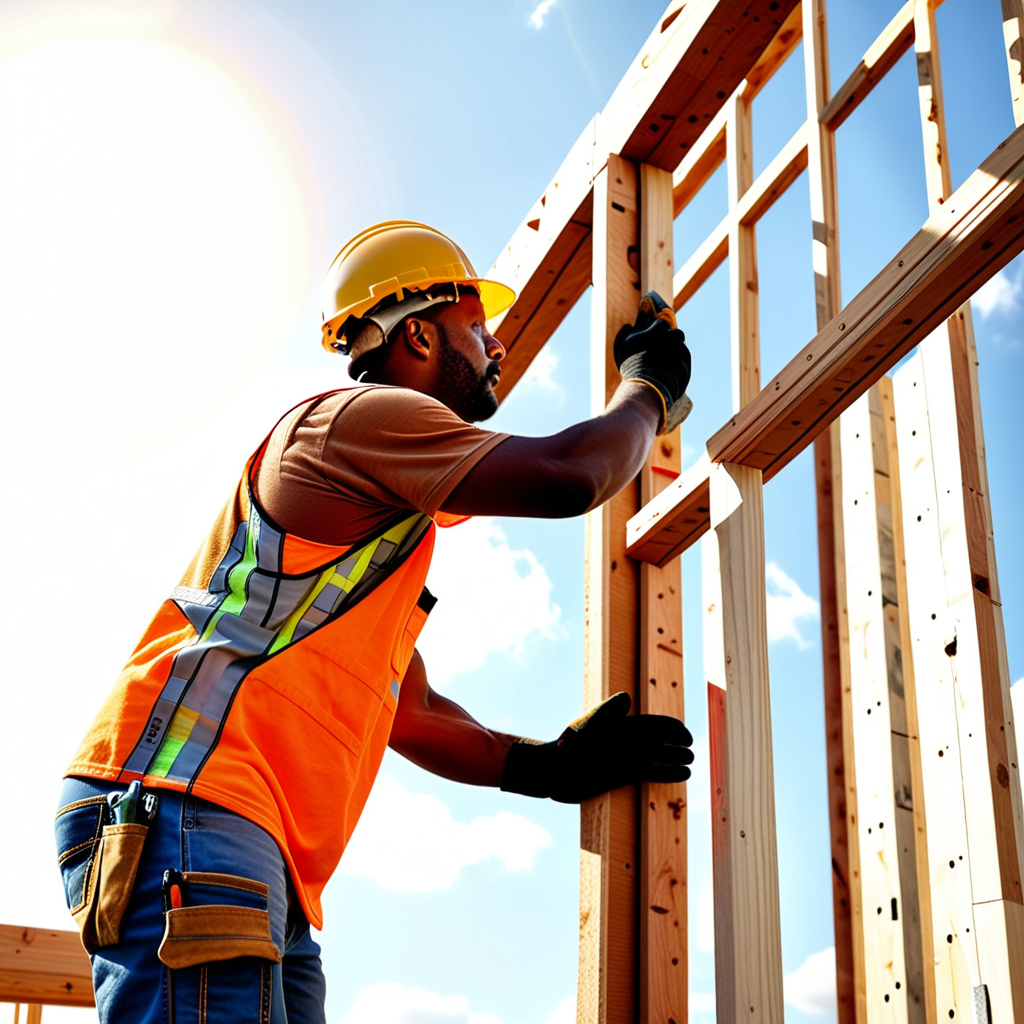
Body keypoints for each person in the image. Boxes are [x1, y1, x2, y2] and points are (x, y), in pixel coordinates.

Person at [55, 220, 695, 1023]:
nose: (495, 350)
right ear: (420, 335)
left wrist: (546, 768)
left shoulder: (373, 530)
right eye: (478, 328)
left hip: (242, 834)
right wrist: (649, 393)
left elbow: (411, 713)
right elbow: (569, 477)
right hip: (189, 805)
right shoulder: (357, 420)